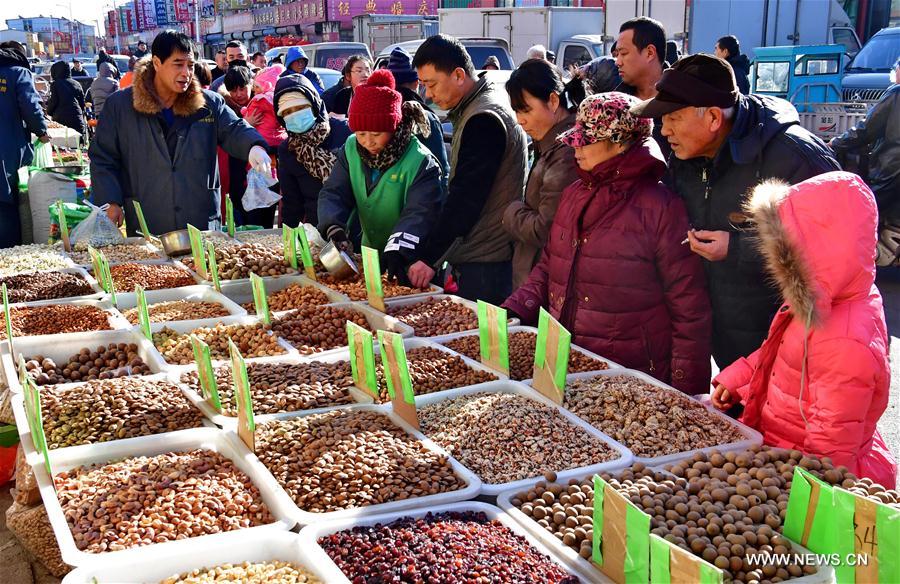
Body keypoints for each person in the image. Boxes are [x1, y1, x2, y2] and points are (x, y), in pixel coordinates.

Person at [633, 54, 840, 368]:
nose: (664, 131)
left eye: (673, 119)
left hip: (795, 351)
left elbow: (839, 249)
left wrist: (737, 248)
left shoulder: (795, 156)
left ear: (714, 118)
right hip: (727, 346)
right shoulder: (686, 156)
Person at [504, 92, 711, 394]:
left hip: (632, 377)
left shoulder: (660, 207)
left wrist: (686, 392)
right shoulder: (575, 193)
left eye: (587, 139)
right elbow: (550, 264)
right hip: (568, 363)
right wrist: (518, 307)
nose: (576, 147)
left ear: (621, 141)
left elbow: (689, 308)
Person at [712, 172, 896, 488]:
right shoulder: (824, 300)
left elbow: (831, 451)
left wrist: (798, 496)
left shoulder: (847, 339)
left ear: (820, 252)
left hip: (804, 475)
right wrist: (739, 378)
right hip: (782, 454)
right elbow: (784, 354)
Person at [89, 30, 270, 236]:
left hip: (201, 220)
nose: (186, 72)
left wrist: (254, 146)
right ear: (157, 63)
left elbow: (234, 129)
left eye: (190, 65)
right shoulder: (121, 106)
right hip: (148, 220)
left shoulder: (208, 103)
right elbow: (102, 156)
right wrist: (111, 201)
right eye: (178, 64)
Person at [412, 34, 528, 304]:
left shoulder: (483, 118)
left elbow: (466, 197)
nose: (428, 94)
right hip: (484, 252)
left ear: (458, 75)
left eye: (431, 85)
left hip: (486, 258)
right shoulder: (479, 105)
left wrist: (429, 258)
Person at [318, 69, 444, 285]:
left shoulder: (420, 160)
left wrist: (399, 249)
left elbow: (420, 212)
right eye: (361, 133)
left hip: (411, 261)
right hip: (370, 256)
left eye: (376, 134)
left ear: (393, 127)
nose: (368, 141)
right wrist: (334, 227)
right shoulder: (351, 148)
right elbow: (335, 192)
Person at [503, 59, 577, 288]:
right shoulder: (549, 143)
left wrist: (511, 213)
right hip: (538, 277)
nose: (520, 119)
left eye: (525, 110)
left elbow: (545, 228)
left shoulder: (565, 153)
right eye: (516, 111)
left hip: (546, 281)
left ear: (553, 100)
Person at [830, 56, 899, 259]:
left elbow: (866, 130)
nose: (894, 72)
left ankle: (857, 258)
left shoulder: (895, 94)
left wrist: (836, 143)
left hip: (891, 169)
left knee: (863, 212)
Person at [275, 73, 351, 226]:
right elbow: (291, 203)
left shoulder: (344, 132)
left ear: (314, 105)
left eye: (301, 107)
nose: (295, 115)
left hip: (354, 224)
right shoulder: (288, 149)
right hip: (316, 231)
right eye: (287, 112)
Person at [0, 42, 48, 248]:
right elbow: (30, 105)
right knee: (7, 203)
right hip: (7, 149)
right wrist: (42, 131)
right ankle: (9, 257)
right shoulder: (18, 72)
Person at [386, 46, 449, 192]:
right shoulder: (426, 118)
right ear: (416, 83)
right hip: (421, 202)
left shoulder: (377, 116)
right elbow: (441, 171)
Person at [219, 65, 275, 228]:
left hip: (264, 175)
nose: (238, 94)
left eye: (242, 88)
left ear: (251, 84)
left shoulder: (264, 102)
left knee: (265, 221)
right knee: (243, 221)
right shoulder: (224, 109)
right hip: (236, 178)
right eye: (233, 90)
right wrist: (245, 125)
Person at [616, 17, 670, 159]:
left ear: (649, 53)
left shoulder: (682, 100)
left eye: (623, 53)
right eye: (617, 55)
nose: (618, 62)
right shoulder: (615, 104)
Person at [242, 65, 287, 148]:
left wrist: (244, 112)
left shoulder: (260, 100)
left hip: (262, 139)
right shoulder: (279, 97)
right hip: (280, 138)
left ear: (266, 86)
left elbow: (250, 114)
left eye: (257, 87)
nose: (254, 89)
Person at [47, 60, 87, 137]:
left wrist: (49, 112)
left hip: (60, 119)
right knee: (78, 145)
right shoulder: (76, 83)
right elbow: (82, 103)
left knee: (62, 147)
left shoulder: (55, 84)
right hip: (76, 118)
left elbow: (53, 101)